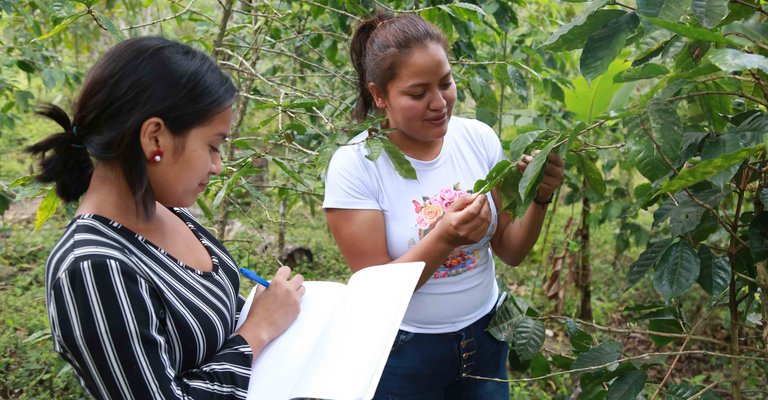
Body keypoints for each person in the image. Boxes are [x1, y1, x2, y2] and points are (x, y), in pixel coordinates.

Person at [26, 36, 305, 399]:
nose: (218, 166)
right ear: (155, 138)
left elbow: (210, 329)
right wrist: (258, 331)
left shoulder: (167, 211)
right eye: (212, 146)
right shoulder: (93, 269)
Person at [323, 12, 565, 399]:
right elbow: (376, 294)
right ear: (379, 95)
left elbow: (511, 250)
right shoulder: (356, 167)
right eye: (418, 94)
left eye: (446, 83)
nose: (439, 103)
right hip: (404, 351)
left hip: (485, 337)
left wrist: (540, 195)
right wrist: (445, 236)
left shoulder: (478, 139)